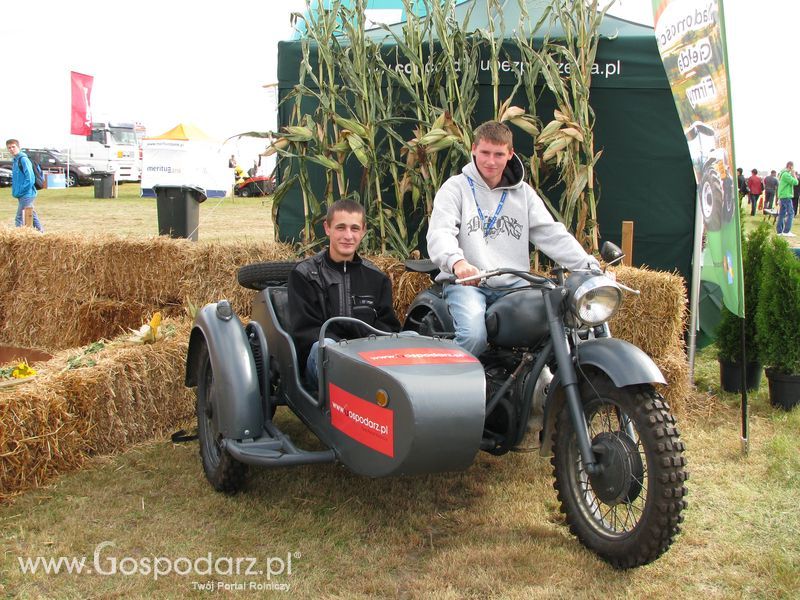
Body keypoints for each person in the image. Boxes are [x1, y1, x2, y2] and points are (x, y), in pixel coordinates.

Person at [426, 120, 600, 358]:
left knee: (562, 322)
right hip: (470, 285)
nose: (490, 161)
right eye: (485, 152)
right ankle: (448, 390)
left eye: (498, 154)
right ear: (474, 149)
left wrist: (588, 266)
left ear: (510, 154)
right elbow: (440, 233)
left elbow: (551, 233)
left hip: (515, 285)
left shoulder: (523, 194)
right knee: (473, 337)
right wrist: (458, 263)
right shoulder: (455, 188)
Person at [288, 199, 400, 386]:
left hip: (369, 361)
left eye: (354, 229)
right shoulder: (304, 275)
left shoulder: (377, 278)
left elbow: (388, 327)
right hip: (322, 364)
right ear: (327, 228)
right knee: (325, 348)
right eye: (341, 228)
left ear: (363, 231)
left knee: (411, 335)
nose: (348, 236)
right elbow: (306, 332)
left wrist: (365, 351)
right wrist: (348, 353)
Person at [5, 139, 44, 232]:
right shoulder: (15, 160)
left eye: (13, 147)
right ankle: (42, 233)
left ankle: (19, 237)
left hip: (27, 194)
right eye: (9, 148)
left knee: (19, 218)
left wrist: (22, 190)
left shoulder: (23, 159)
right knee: (32, 215)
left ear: (18, 147)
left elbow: (30, 179)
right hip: (22, 194)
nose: (11, 149)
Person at [776, 161, 797, 237]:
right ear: (790, 166)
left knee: (782, 213)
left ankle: (779, 231)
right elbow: (795, 182)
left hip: (783, 196)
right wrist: (793, 174)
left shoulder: (782, 173)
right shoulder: (786, 174)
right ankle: (786, 231)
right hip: (786, 195)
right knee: (791, 213)